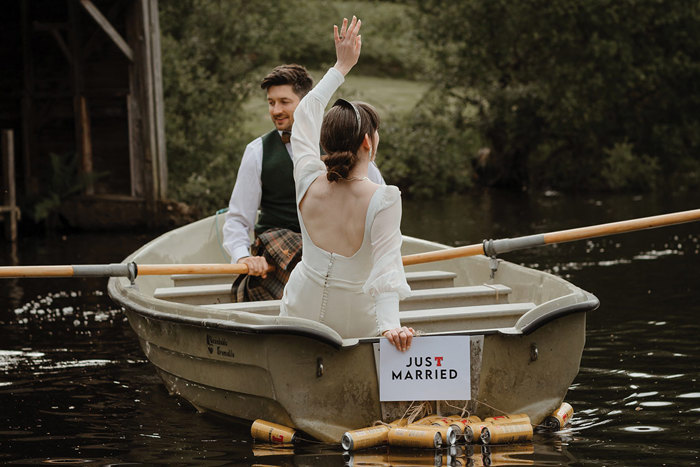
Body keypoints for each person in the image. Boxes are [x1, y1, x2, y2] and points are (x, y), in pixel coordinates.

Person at [280, 16, 414, 352]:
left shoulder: (307, 178)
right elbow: (386, 268)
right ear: (368, 143)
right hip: (354, 324)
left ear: (325, 142)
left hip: (299, 314)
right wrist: (391, 327)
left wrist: (341, 66)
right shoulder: (384, 198)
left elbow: (307, 111)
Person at [222, 64, 384, 301]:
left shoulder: (340, 144)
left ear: (307, 102)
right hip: (278, 254)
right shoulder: (257, 152)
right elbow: (237, 219)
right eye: (271, 102)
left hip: (331, 248)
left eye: (284, 102)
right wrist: (243, 257)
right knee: (304, 254)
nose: (276, 110)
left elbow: (379, 195)